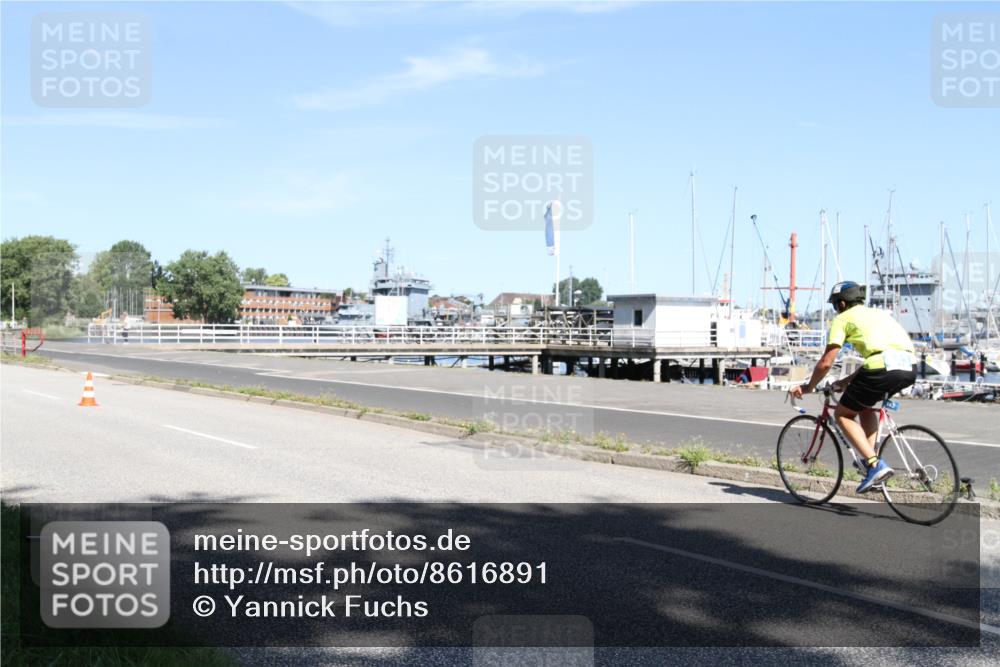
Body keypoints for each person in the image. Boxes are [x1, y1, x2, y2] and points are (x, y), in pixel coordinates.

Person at [789, 281, 917, 493]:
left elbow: (826, 362)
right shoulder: (879, 314)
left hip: (880, 368)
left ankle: (876, 465)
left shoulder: (843, 318)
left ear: (841, 303)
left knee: (843, 415)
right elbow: (880, 355)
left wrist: (808, 386)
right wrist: (846, 382)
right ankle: (871, 462)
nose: (835, 310)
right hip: (909, 367)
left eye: (834, 306)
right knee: (864, 406)